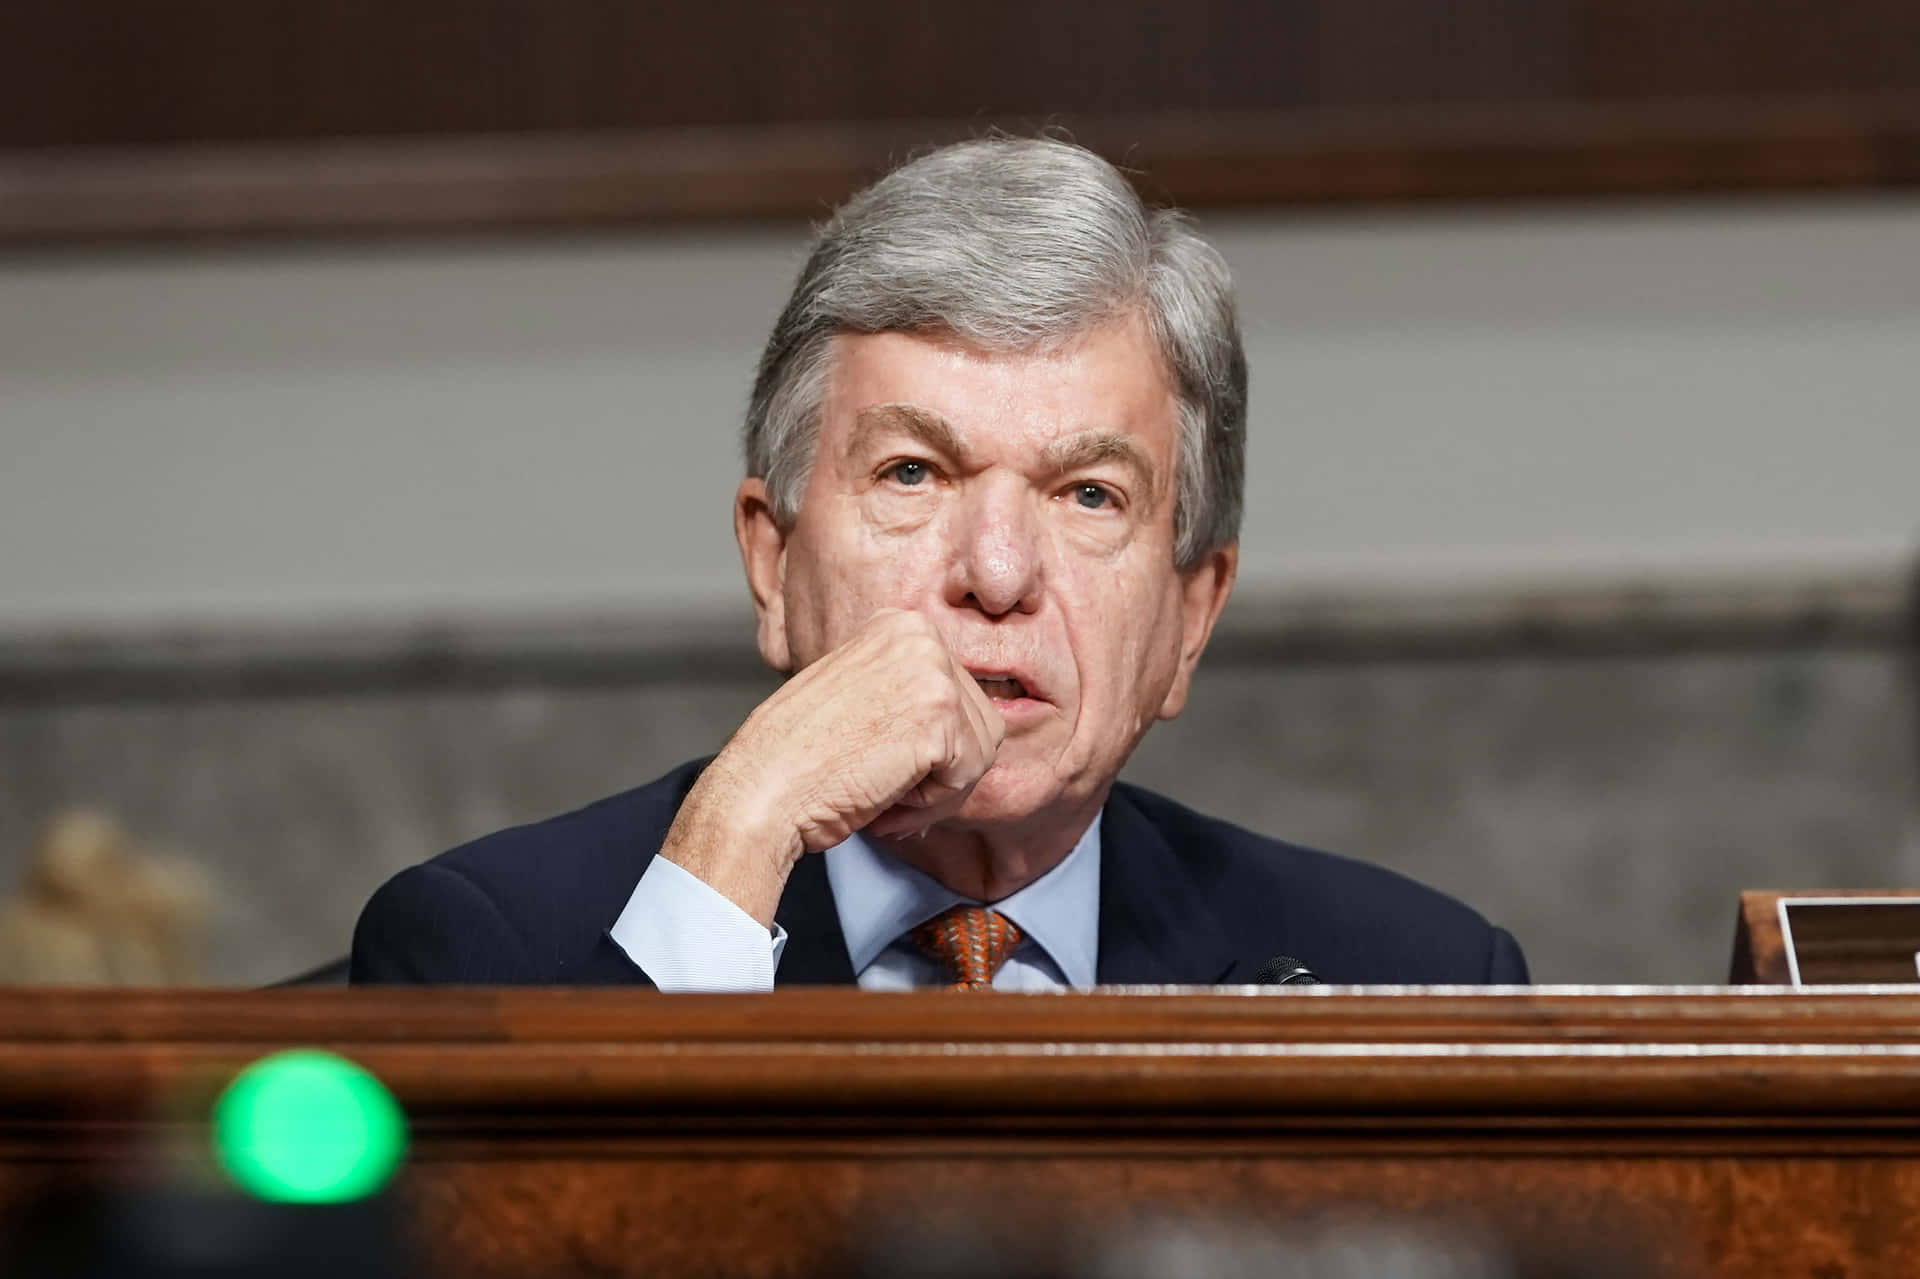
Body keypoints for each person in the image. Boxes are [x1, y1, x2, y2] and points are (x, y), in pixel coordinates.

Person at [351, 137, 1528, 989]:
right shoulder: (481, 953)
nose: (999, 574)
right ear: (771, 562)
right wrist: (739, 841)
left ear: (1189, 620)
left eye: (1088, 494)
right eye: (913, 473)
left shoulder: (1416, 978)